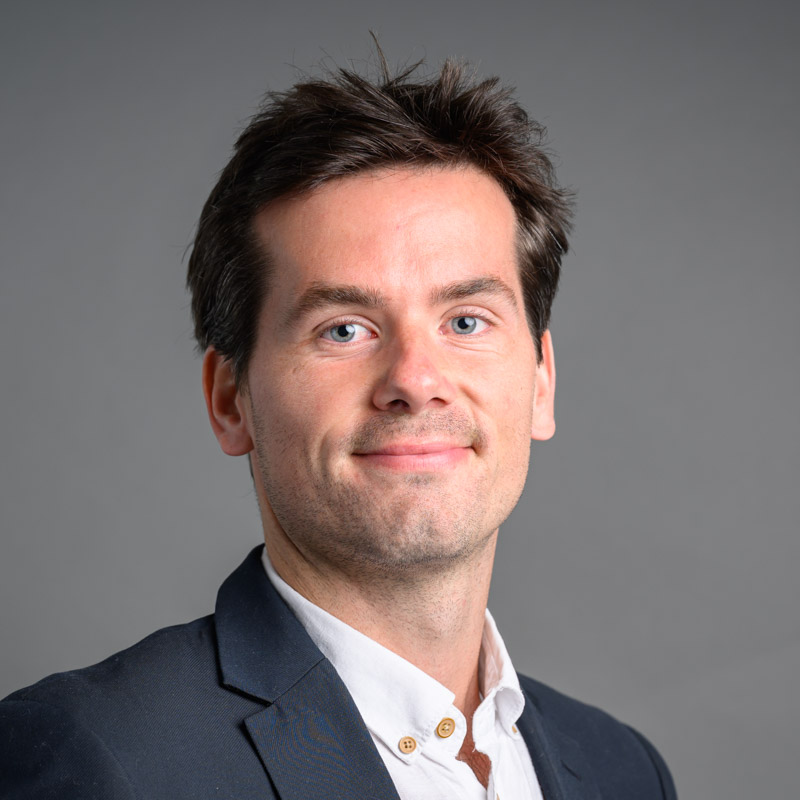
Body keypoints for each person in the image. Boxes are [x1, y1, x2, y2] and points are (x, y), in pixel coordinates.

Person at [0, 55, 677, 800]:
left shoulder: (623, 771)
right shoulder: (95, 760)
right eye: (344, 329)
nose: (415, 380)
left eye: (465, 320)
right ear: (230, 399)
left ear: (541, 381)